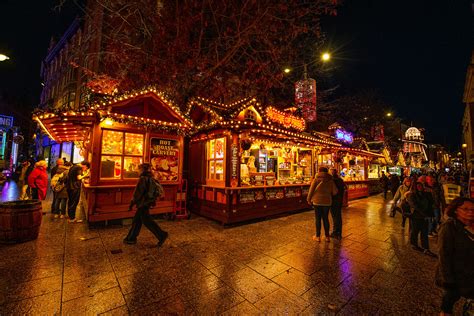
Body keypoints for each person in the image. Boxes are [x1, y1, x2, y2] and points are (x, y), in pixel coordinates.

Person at [435, 197, 474, 315]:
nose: (470, 212)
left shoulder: (472, 225)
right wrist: (448, 281)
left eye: (473, 209)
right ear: (456, 210)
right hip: (454, 276)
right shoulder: (449, 227)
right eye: (465, 209)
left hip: (470, 274)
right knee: (448, 303)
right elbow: (444, 256)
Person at [124, 163, 168, 247]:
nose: (137, 171)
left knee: (147, 221)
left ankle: (162, 235)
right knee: (137, 221)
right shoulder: (151, 178)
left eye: (139, 169)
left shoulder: (142, 179)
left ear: (142, 170)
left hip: (143, 203)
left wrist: (132, 203)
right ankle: (131, 238)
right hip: (147, 202)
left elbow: (138, 193)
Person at [307, 167, 338, 242]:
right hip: (327, 202)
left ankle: (318, 236)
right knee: (325, 218)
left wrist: (308, 199)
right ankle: (327, 237)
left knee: (318, 219)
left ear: (319, 171)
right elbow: (335, 192)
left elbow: (311, 191)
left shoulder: (316, 179)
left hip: (317, 202)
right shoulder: (330, 180)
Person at [407, 181, 437, 257]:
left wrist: (431, 215)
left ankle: (426, 248)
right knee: (415, 231)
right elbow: (415, 206)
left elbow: (431, 204)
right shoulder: (412, 195)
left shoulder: (427, 194)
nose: (420, 188)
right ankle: (414, 244)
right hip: (416, 217)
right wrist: (425, 214)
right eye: (418, 186)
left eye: (421, 186)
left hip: (425, 217)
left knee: (424, 233)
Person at [330, 168, 345, 239]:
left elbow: (332, 191)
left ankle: (336, 232)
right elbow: (344, 188)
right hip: (339, 200)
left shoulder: (332, 181)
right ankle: (339, 232)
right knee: (338, 216)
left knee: (335, 217)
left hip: (333, 201)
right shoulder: (340, 180)